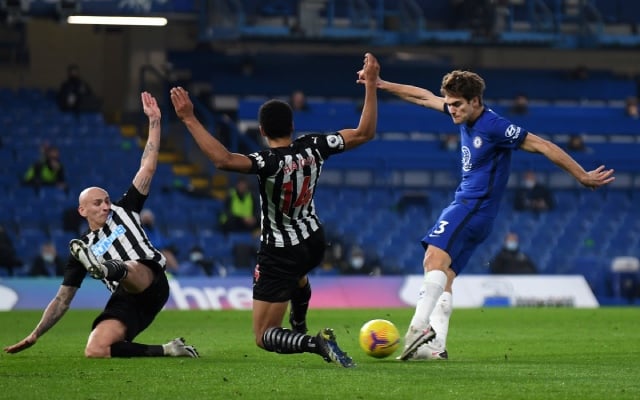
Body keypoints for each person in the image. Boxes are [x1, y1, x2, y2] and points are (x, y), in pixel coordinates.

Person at [358, 61, 615, 361]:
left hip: (471, 205)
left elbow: (542, 145)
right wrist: (380, 84)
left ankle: (418, 329)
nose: (451, 110)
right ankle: (436, 346)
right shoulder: (464, 114)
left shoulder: (495, 126)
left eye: (457, 105)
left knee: (433, 259)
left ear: (475, 101)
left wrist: (582, 175)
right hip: (480, 214)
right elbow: (423, 97)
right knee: (447, 275)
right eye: (450, 104)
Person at [170, 52, 380, 367]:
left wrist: (188, 118)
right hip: (313, 240)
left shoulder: (265, 162)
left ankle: (313, 342)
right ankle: (299, 320)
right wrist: (372, 85)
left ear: (262, 130)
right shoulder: (315, 145)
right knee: (298, 277)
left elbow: (223, 159)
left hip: (280, 250)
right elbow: (365, 132)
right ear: (293, 125)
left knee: (263, 335)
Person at [4, 92, 199, 359]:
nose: (105, 206)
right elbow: (63, 300)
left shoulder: (125, 207)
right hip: (127, 299)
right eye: (97, 203)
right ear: (82, 210)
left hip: (150, 281)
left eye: (106, 201)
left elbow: (148, 167)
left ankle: (104, 268)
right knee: (96, 349)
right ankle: (169, 350)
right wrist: (35, 333)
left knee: (129, 267)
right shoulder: (81, 248)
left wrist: (154, 121)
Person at [140, 208, 180, 273]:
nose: (148, 220)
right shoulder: (141, 230)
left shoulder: (156, 230)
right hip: (148, 252)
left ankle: (176, 274)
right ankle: (174, 273)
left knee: (167, 253)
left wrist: (170, 246)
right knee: (166, 255)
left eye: (149, 218)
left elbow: (164, 241)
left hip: (160, 251)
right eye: (146, 218)